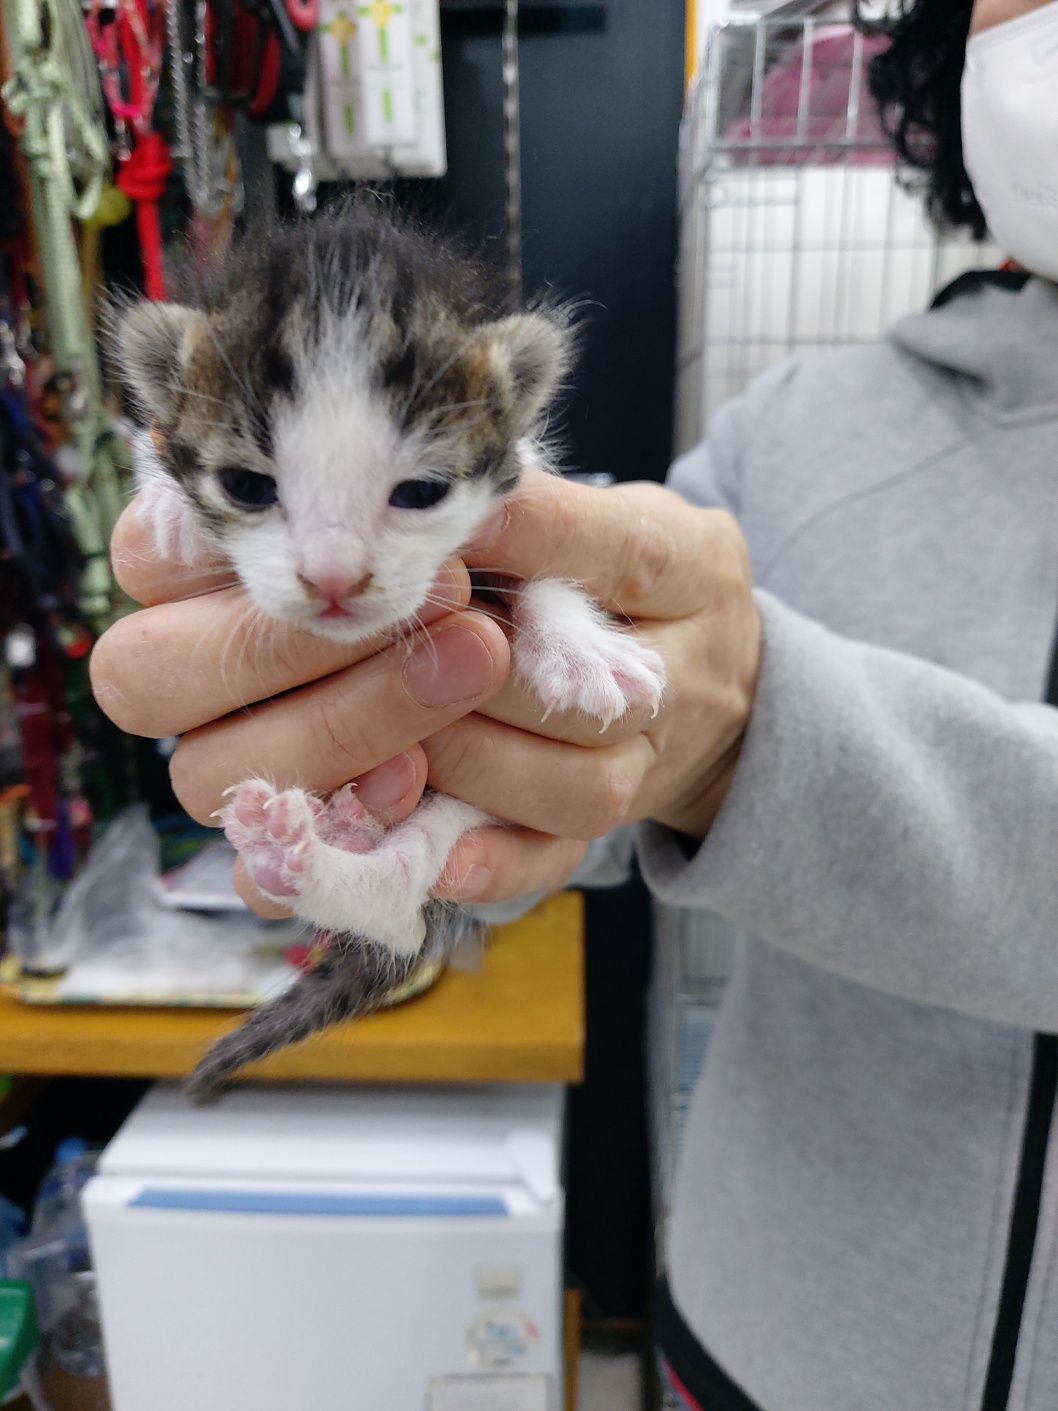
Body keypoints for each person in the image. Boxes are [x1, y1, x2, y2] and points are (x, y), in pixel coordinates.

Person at [91, 0, 1058, 1404]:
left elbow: (649, 683)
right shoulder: (801, 433)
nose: (335, 568)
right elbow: (569, 821)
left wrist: (749, 742)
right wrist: (434, 821)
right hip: (758, 1339)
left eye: (414, 490)